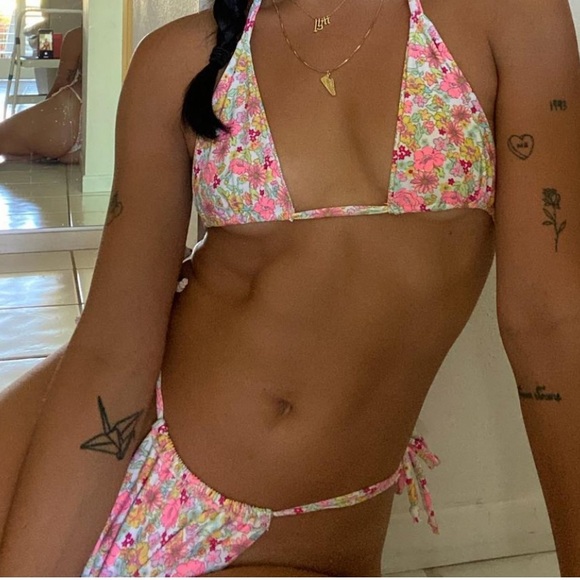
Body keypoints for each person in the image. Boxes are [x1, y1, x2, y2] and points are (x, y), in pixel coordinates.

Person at [1, 0, 580, 576]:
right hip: (99, 448)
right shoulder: (178, 59)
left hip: (291, 537)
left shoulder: (511, 17)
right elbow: (110, 353)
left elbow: (548, 324)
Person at [0, 26, 82, 164]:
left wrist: (46, 108)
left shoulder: (78, 36)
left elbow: (62, 82)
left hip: (69, 115)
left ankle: (44, 151)